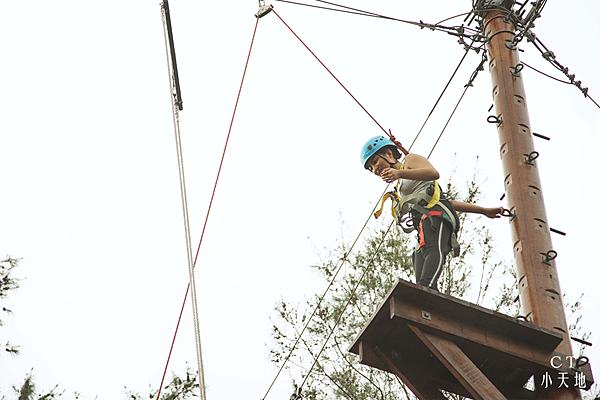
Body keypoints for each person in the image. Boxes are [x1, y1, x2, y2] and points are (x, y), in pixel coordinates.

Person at [360, 135, 503, 291]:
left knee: (432, 250)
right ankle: (427, 292)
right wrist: (483, 211)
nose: (375, 169)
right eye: (371, 168)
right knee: (418, 257)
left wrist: (399, 174)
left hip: (434, 218)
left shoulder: (410, 160)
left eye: (375, 162)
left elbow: (433, 173)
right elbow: (447, 203)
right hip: (424, 222)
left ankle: (426, 289)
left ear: (388, 154)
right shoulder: (400, 187)